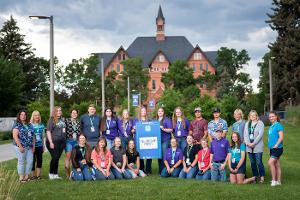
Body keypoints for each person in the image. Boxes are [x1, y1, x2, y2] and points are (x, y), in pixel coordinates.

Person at [12, 110, 35, 183]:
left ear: (26, 116)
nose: (23, 116)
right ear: (19, 116)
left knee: (30, 161)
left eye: (24, 115)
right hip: (20, 146)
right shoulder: (17, 124)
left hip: (29, 147)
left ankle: (27, 176)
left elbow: (33, 136)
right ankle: (21, 176)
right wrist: (20, 146)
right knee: (21, 161)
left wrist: (33, 146)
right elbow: (15, 136)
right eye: (21, 115)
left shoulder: (29, 124)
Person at [244, 110, 265, 183]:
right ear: (249, 116)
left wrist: (254, 143)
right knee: (252, 163)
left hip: (257, 146)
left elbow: (260, 135)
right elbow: (245, 135)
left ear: (256, 116)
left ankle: (262, 176)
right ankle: (255, 177)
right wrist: (247, 143)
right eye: (251, 115)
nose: (253, 116)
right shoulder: (247, 124)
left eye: (254, 115)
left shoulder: (260, 123)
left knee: (259, 162)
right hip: (249, 146)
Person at [46, 106, 66, 180]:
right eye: (57, 111)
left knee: (57, 158)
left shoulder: (62, 120)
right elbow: (48, 131)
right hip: (53, 142)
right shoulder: (51, 119)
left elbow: (64, 130)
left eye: (60, 110)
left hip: (61, 142)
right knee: (55, 157)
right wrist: (51, 142)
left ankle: (55, 174)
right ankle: (51, 174)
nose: (59, 112)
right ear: (54, 112)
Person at [133, 106, 152, 175]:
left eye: (144, 111)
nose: (143, 112)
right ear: (140, 112)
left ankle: (148, 170)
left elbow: (152, 129)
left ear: (146, 112)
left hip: (148, 140)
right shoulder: (136, 120)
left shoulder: (149, 120)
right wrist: (134, 129)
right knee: (140, 155)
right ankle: (141, 169)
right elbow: (132, 130)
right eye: (142, 111)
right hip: (139, 140)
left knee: (149, 155)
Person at [268, 111, 284, 186]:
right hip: (272, 148)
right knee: (276, 164)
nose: (271, 118)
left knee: (270, 163)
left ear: (276, 117)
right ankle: (279, 181)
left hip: (277, 148)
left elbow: (281, 137)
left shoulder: (278, 125)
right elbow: (270, 138)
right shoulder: (271, 126)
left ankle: (274, 180)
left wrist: (276, 145)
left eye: (272, 116)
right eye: (270, 117)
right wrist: (270, 148)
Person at [64, 109, 81, 178]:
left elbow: (79, 132)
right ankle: (67, 173)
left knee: (74, 157)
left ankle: (73, 172)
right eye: (73, 113)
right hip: (68, 141)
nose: (74, 114)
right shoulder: (67, 121)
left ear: (77, 114)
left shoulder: (78, 122)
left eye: (75, 113)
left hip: (76, 141)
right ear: (71, 114)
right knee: (68, 156)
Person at [156, 107, 173, 175]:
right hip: (157, 141)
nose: (160, 112)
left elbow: (171, 129)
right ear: (157, 113)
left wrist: (163, 129)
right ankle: (160, 170)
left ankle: (165, 170)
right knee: (159, 156)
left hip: (165, 140)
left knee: (164, 156)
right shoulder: (156, 120)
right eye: (159, 111)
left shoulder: (167, 120)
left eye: (161, 111)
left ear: (163, 112)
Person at [30, 110, 45, 180]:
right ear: (33, 116)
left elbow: (42, 136)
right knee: (32, 161)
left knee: (39, 160)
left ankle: (38, 176)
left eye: (38, 115)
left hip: (40, 146)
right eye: (35, 115)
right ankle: (33, 176)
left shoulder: (41, 125)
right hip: (32, 146)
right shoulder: (30, 125)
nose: (37, 116)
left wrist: (43, 145)